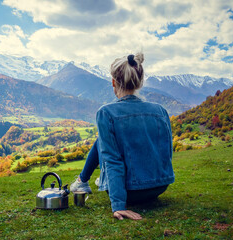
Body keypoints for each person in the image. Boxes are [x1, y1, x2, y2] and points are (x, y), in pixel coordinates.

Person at [70, 53, 175, 220]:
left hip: (131, 193)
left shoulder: (106, 113)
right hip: (160, 186)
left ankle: (82, 180)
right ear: (140, 82)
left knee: (103, 142)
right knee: (104, 140)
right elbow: (167, 152)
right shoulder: (161, 111)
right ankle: (83, 181)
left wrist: (119, 205)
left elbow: (113, 160)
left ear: (113, 82)